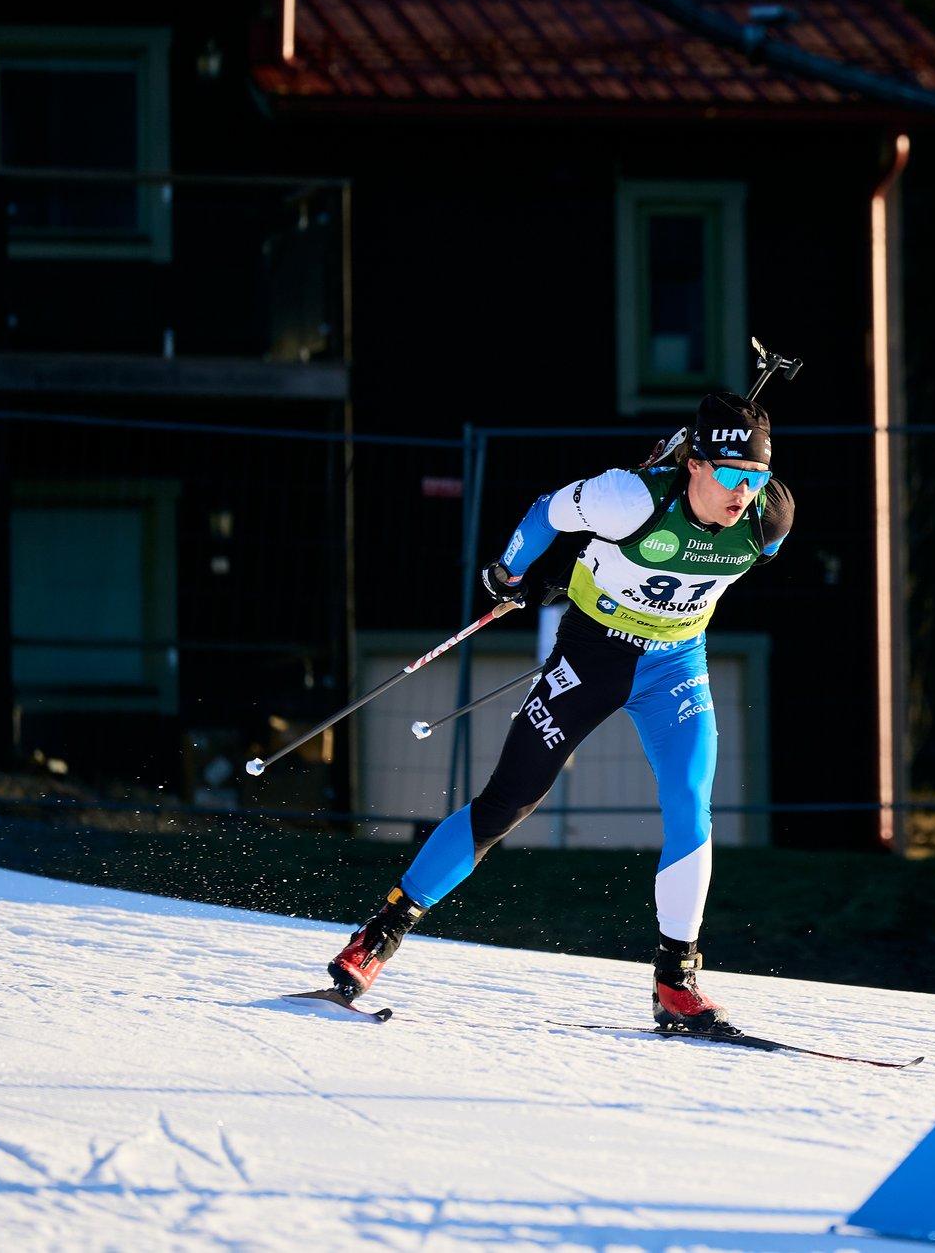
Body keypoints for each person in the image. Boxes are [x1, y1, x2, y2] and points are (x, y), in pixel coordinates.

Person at [326, 390, 793, 1030]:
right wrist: (510, 574)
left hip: (675, 666)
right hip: (592, 655)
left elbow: (692, 569)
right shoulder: (629, 498)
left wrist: (609, 582)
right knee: (507, 800)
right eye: (732, 475)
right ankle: (379, 934)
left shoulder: (769, 519)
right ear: (694, 464)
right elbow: (547, 512)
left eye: (757, 477)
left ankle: (676, 981)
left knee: (691, 804)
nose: (744, 492)